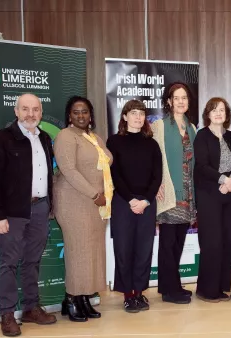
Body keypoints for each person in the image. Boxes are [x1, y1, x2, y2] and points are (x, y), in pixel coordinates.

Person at [0, 93, 57, 337]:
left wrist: (49, 206)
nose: (30, 114)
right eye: (25, 109)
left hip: (40, 209)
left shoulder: (44, 138)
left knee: (33, 261)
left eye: (35, 109)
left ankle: (31, 308)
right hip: (12, 213)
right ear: (16, 112)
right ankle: (6, 313)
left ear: (41, 112)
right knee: (9, 263)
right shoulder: (2, 139)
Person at [53, 96, 112, 322]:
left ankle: (83, 298)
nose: (81, 115)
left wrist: (102, 195)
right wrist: (94, 194)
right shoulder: (66, 136)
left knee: (91, 252)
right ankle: (71, 299)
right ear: (69, 115)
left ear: (90, 115)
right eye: (76, 112)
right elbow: (68, 170)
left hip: (96, 205)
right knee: (78, 252)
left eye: (85, 112)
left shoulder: (93, 138)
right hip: (75, 202)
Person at [107, 99, 162, 313]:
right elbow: (115, 174)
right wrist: (131, 200)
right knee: (123, 248)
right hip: (123, 202)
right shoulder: (114, 142)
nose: (138, 117)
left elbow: (157, 175)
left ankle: (139, 293)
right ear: (124, 116)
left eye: (141, 113)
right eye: (133, 113)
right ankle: (128, 295)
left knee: (143, 249)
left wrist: (146, 200)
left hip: (147, 203)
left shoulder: (152, 143)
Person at [151, 82, 197, 304]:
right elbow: (151, 157)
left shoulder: (192, 128)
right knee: (168, 243)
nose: (181, 102)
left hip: (188, 194)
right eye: (176, 98)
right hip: (169, 192)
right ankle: (169, 291)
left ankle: (173, 284)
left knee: (178, 242)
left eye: (184, 98)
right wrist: (156, 182)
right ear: (168, 101)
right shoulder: (159, 126)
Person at [193, 97, 231, 302]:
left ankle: (222, 286)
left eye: (222, 110)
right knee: (212, 242)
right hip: (209, 194)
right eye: (214, 110)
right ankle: (207, 289)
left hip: (230, 194)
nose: (218, 113)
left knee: (227, 240)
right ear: (208, 114)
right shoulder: (202, 136)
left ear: (227, 114)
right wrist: (222, 179)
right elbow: (201, 166)